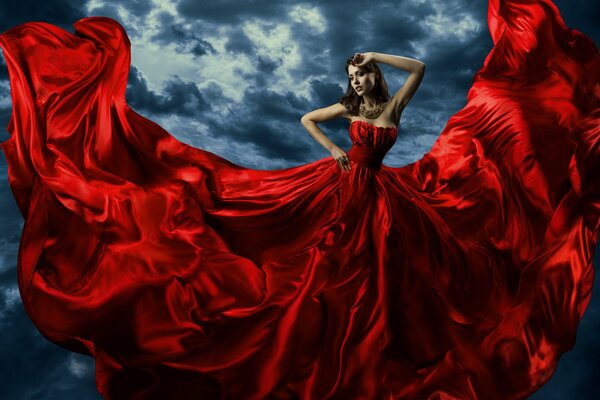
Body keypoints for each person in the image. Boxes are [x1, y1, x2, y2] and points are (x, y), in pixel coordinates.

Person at [0, 0, 598, 399]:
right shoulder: (352, 109)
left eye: (363, 76)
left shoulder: (387, 104)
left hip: (385, 192)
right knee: (291, 246)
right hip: (342, 183)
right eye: (355, 77)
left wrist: (373, 59)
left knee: (395, 273)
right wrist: (335, 153)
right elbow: (311, 119)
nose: (360, 82)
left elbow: (413, 66)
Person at [301, 52, 425, 173]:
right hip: (347, 173)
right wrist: (333, 149)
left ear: (375, 74)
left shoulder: (394, 107)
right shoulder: (349, 108)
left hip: (377, 180)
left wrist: (374, 56)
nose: (355, 82)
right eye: (351, 77)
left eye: (360, 74)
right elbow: (307, 119)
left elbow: (418, 68)